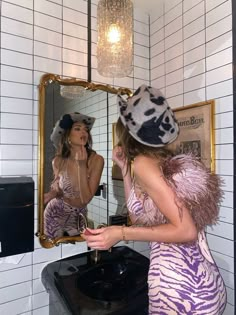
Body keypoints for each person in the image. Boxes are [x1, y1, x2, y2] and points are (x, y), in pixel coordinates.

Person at [82, 85, 227, 314]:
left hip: (179, 287)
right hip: (199, 284)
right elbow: (138, 217)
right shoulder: (155, 163)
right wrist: (125, 169)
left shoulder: (144, 164)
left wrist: (120, 233)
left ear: (128, 130)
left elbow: (186, 230)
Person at [44, 112, 104, 239]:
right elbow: (58, 188)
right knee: (53, 249)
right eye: (77, 129)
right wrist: (52, 193)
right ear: (68, 136)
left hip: (77, 216)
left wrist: (81, 166)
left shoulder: (96, 160)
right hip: (55, 212)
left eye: (86, 130)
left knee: (77, 251)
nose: (84, 132)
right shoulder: (58, 160)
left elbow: (85, 200)